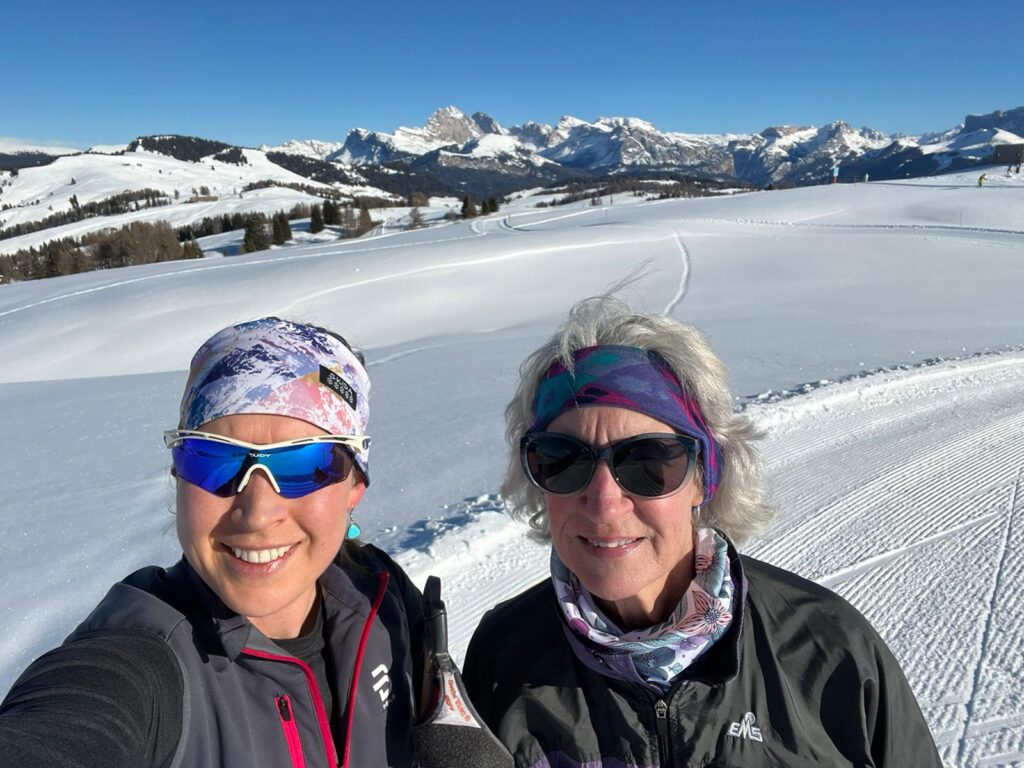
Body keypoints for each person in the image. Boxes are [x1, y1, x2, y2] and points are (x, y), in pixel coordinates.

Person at [463, 296, 943, 767]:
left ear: (705, 476)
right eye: (562, 460)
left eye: (649, 461)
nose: (604, 501)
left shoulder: (827, 650)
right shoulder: (502, 657)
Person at [0, 318, 424, 767]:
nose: (258, 512)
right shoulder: (144, 661)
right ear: (178, 473)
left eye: (306, 462)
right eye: (213, 458)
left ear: (355, 483)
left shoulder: (382, 594)